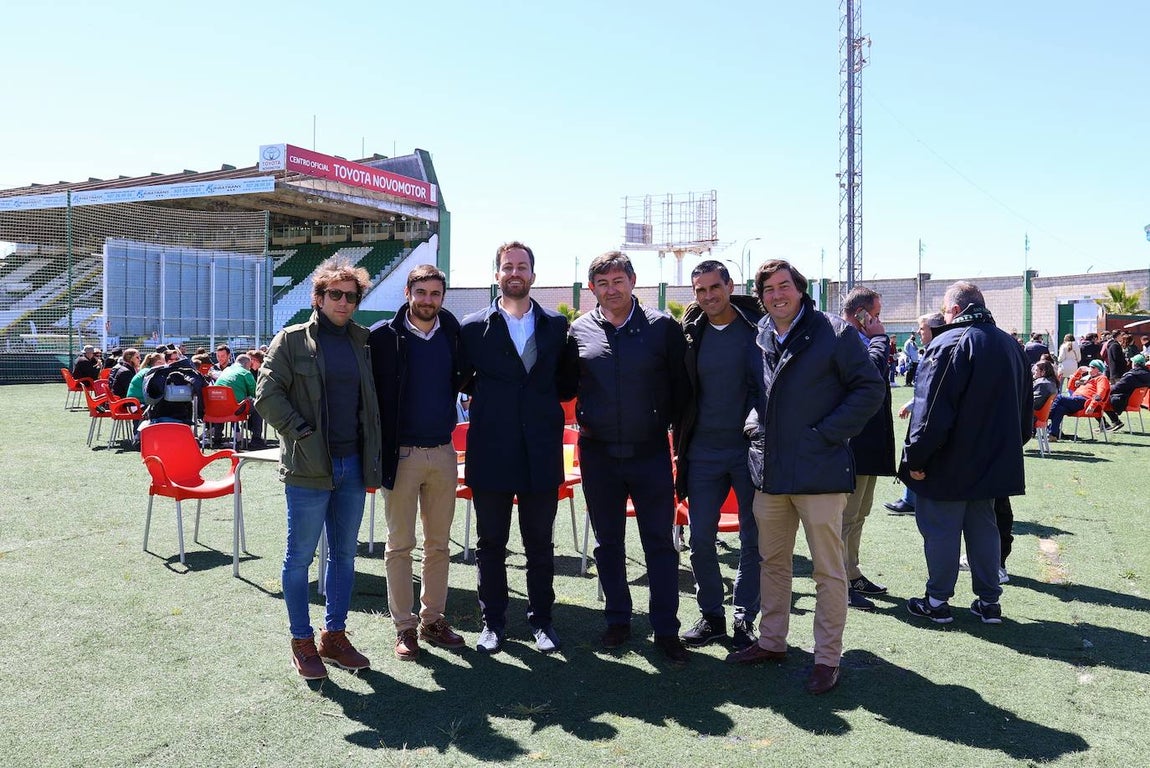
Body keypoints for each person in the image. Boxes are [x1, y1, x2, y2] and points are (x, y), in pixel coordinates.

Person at [726, 259, 884, 696]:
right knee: (772, 563)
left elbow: (869, 389)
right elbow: (756, 393)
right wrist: (754, 425)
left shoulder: (834, 332)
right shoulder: (760, 334)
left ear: (800, 289)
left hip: (820, 472)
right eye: (768, 289)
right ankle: (772, 641)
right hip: (772, 472)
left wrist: (825, 434)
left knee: (828, 571)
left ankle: (827, 658)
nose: (777, 295)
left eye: (784, 286)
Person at [254, 257, 382, 681]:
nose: (343, 302)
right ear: (319, 297)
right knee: (299, 558)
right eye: (335, 294)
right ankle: (301, 640)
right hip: (308, 467)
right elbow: (266, 396)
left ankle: (334, 636)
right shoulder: (291, 340)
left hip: (353, 465)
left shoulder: (363, 341)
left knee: (344, 556)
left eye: (351, 296)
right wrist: (302, 433)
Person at [570, 251, 690, 665]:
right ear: (592, 288)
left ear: (633, 281)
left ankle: (666, 629)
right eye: (602, 283)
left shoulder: (662, 328)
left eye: (618, 281)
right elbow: (568, 384)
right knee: (608, 543)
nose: (611, 290)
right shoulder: (578, 331)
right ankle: (618, 619)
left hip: (650, 453)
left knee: (660, 543)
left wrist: (662, 424)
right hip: (598, 454)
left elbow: (681, 388)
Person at [460, 242, 578, 654]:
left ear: (533, 275)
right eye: (507, 266)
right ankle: (493, 624)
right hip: (491, 451)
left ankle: (541, 622)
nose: (515, 272)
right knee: (491, 544)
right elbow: (463, 378)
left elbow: (566, 384)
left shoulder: (556, 327)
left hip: (541, 452)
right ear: (497, 274)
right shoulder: (472, 327)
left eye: (522, 266)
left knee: (540, 545)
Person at [900, 281, 1031, 626]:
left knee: (941, 529)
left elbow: (930, 412)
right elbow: (1025, 412)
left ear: (955, 310)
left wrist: (916, 458)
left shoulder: (949, 342)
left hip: (949, 462)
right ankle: (989, 602)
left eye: (945, 311)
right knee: (984, 528)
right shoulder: (1010, 344)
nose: (943, 317)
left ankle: (937, 601)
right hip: (993, 461)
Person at [369, 264, 466, 661]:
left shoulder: (454, 334)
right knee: (399, 545)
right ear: (407, 292)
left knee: (439, 544)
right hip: (402, 454)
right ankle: (404, 627)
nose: (428, 300)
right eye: (421, 292)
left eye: (435, 293)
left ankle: (433, 620)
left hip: (443, 452)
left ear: (443, 297)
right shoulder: (382, 336)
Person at [673, 260, 762, 650]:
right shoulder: (691, 331)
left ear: (730, 286)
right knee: (700, 539)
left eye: (714, 287)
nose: (708, 296)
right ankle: (712, 616)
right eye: (700, 290)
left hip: (749, 452)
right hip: (703, 453)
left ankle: (744, 618)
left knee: (753, 539)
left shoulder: (758, 328)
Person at [839, 286, 896, 611]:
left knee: (859, 513)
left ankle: (852, 572)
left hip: (868, 443)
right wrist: (879, 338)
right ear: (860, 313)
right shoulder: (846, 338)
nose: (878, 321)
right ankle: (840, 581)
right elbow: (869, 376)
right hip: (852, 444)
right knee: (846, 517)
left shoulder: (864, 339)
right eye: (875, 314)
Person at [884, 312, 945, 516]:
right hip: (924, 413)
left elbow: (931, 390)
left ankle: (913, 500)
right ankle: (910, 499)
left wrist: (913, 405)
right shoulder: (932, 350)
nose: (918, 332)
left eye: (922, 328)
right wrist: (912, 405)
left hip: (931, 417)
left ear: (933, 329)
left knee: (918, 452)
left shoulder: (940, 352)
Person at [1046, 360, 1111, 440]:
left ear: (1099, 370)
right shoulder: (1088, 378)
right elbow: (1070, 387)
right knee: (1060, 409)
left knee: (1059, 398)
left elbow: (1101, 393)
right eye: (1089, 366)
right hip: (1076, 401)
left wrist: (1092, 405)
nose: (1089, 368)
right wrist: (1078, 372)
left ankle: (1045, 416)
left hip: (1085, 402)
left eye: (1092, 367)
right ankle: (1053, 434)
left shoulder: (1102, 378)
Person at [214, 353, 267, 448]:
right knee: (258, 405)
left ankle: (217, 439)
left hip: (216, 408)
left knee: (222, 403)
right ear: (247, 364)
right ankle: (256, 439)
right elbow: (255, 393)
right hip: (235, 409)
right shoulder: (245, 373)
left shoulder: (226, 370)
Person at [1103, 354, 1150, 432]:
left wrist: (1105, 389)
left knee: (1103, 400)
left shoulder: (1131, 376)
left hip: (1123, 401)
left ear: (1135, 363)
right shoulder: (1148, 376)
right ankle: (1114, 422)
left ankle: (1114, 422)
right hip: (1136, 403)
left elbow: (1116, 388)